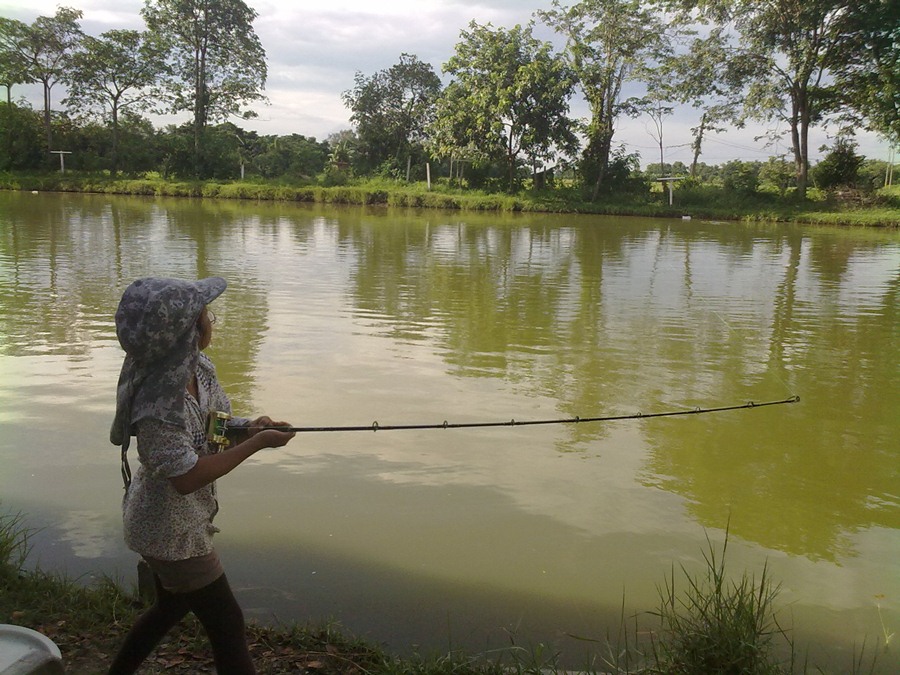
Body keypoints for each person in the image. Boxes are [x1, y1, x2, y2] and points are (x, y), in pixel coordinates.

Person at [107, 276, 295, 675]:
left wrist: (250, 427)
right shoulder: (158, 404)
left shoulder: (197, 365)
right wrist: (257, 445)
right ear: (185, 330)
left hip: (180, 521)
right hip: (169, 532)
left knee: (170, 608)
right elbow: (187, 476)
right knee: (228, 624)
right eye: (204, 314)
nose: (211, 318)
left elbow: (213, 425)